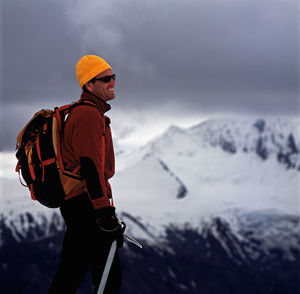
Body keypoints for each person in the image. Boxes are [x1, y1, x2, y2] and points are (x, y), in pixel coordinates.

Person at [48, 55, 123, 294]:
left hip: (81, 204)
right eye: (105, 78)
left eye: (113, 77)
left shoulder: (87, 113)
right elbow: (90, 166)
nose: (112, 82)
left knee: (72, 272)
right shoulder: (88, 115)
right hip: (87, 206)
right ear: (89, 85)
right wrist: (104, 212)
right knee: (107, 277)